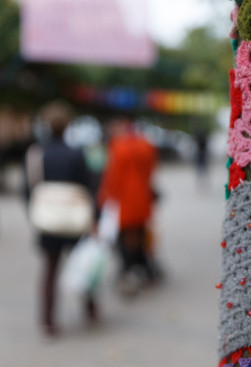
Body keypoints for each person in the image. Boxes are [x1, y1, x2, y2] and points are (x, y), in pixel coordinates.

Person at [25, 101, 96, 336]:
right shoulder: (76, 153)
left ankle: (48, 321)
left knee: (50, 271)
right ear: (67, 126)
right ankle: (90, 310)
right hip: (74, 220)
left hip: (48, 221)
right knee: (83, 266)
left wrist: (34, 212)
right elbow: (89, 187)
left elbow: (27, 189)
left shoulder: (37, 152)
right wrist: (93, 218)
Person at [98, 118, 157, 294]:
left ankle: (129, 271)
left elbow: (113, 176)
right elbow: (151, 171)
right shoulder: (146, 145)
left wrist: (105, 197)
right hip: (142, 197)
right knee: (139, 233)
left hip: (124, 199)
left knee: (125, 237)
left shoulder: (117, 146)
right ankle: (144, 270)